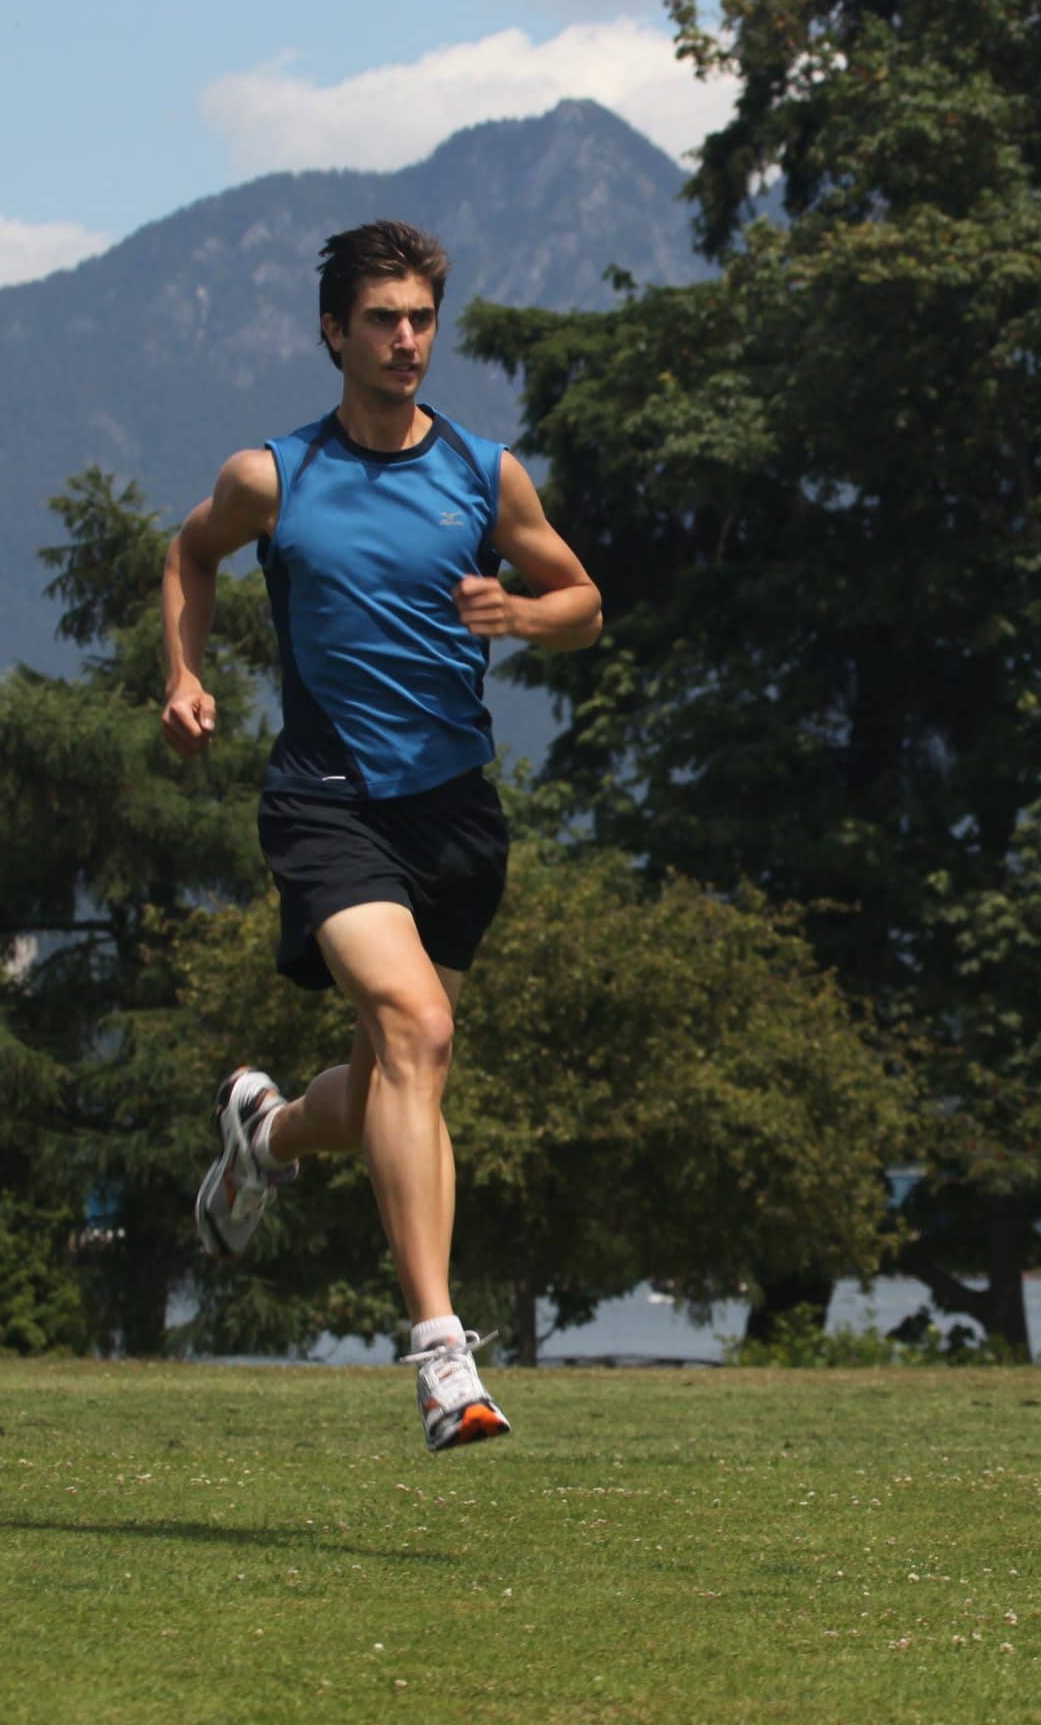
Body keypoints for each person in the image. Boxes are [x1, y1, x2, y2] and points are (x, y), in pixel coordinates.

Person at [160, 218, 602, 1450]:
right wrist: (185, 676)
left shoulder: (483, 471)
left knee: (398, 1079)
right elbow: (188, 553)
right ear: (332, 331)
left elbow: (584, 599)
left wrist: (518, 610)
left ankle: (269, 1128)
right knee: (419, 1027)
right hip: (327, 800)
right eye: (382, 319)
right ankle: (442, 1358)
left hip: (456, 815)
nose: (407, 340)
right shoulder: (275, 476)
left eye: (421, 318)